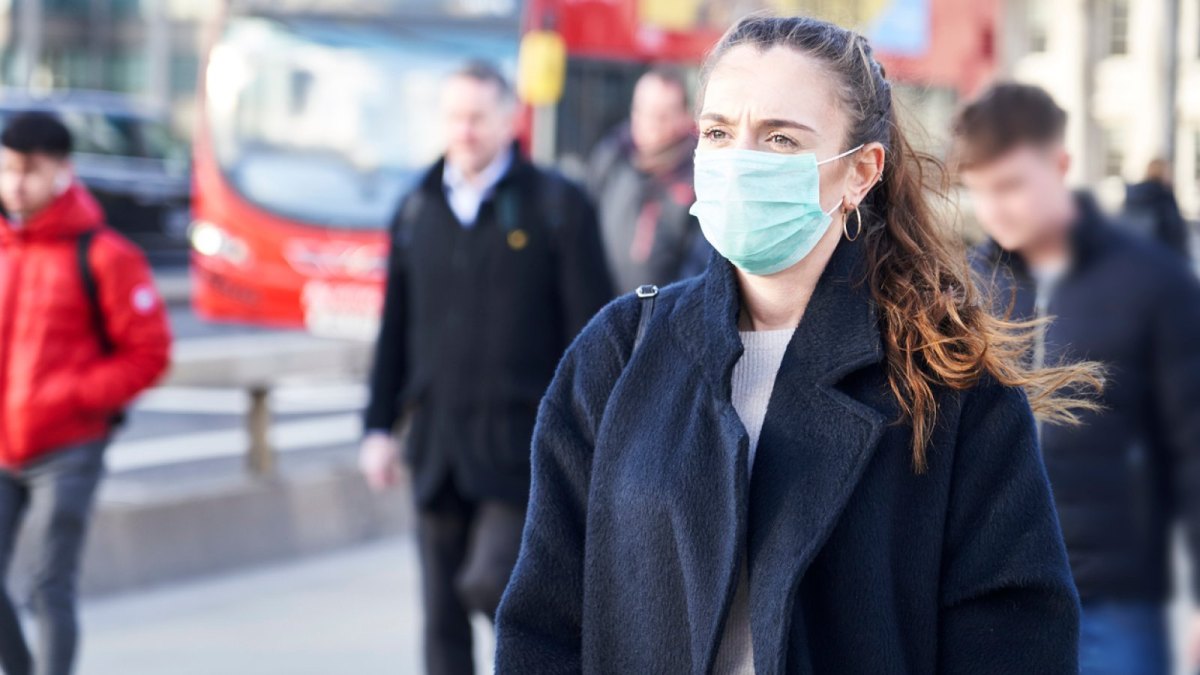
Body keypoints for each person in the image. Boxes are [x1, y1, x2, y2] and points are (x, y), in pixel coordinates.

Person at [495, 16, 1099, 673]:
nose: (739, 162)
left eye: (780, 139)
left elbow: (1014, 637)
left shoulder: (949, 382)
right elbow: (544, 623)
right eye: (719, 133)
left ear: (860, 172)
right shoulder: (619, 352)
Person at [359, 62, 612, 675]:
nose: (464, 131)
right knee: (441, 617)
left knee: (492, 581)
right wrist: (377, 427)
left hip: (524, 446)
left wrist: (596, 431)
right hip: (437, 443)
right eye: (454, 118)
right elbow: (394, 325)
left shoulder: (556, 205)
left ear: (508, 120)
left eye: (477, 118)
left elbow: (595, 329)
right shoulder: (417, 207)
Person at [953, 83, 1200, 675]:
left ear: (1059, 166)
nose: (995, 209)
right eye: (979, 190)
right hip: (991, 593)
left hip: (1112, 600)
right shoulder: (962, 291)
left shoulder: (1149, 282)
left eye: (1011, 185)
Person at [0, 112, 171, 675]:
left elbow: (148, 354)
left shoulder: (104, 255)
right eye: (5, 171)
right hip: (4, 443)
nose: (16, 184)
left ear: (62, 172)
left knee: (49, 584)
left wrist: (73, 395)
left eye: (29, 171)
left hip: (69, 446)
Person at [586, 66, 711, 292]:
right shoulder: (612, 157)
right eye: (642, 111)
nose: (649, 124)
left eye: (662, 116)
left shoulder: (699, 174)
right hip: (605, 309)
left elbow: (699, 265)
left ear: (684, 117)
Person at [1123, 157, 1192, 260]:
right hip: (1162, 263)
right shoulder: (1164, 199)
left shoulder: (1133, 199)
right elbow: (1175, 237)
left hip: (1135, 262)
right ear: (1164, 174)